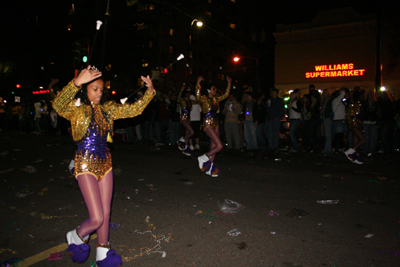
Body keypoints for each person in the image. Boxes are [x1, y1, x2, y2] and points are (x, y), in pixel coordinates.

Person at [52, 65, 155, 266]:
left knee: (106, 213)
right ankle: (76, 235)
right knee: (97, 218)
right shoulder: (76, 109)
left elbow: (133, 109)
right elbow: (58, 104)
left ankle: (103, 251)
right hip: (85, 165)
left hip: (106, 164)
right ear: (85, 89)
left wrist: (149, 93)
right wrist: (75, 83)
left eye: (101, 89)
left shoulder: (108, 109)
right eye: (94, 89)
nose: (99, 93)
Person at [196, 75, 232, 177]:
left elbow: (225, 95)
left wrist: (229, 84)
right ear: (208, 90)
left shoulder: (216, 98)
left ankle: (209, 167)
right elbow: (197, 96)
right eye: (213, 89)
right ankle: (203, 157)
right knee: (219, 146)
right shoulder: (204, 98)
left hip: (215, 122)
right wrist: (198, 84)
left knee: (214, 146)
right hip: (207, 123)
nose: (215, 90)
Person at [344, 90, 365, 164]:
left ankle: (354, 156)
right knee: (362, 140)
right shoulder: (355, 104)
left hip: (355, 124)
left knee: (355, 141)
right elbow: (349, 115)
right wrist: (352, 123)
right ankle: (349, 151)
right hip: (354, 125)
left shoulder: (357, 104)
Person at [176, 83, 196, 156]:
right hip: (183, 118)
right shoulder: (182, 100)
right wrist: (181, 90)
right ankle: (181, 140)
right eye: (187, 94)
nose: (189, 95)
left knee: (187, 134)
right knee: (191, 132)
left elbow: (196, 101)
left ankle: (185, 149)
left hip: (188, 118)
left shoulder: (189, 101)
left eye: (189, 93)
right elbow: (178, 99)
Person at [362, 91, 378, 157]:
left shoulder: (376, 104)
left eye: (371, 94)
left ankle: (371, 151)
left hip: (373, 122)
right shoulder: (364, 103)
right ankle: (365, 151)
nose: (369, 96)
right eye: (368, 94)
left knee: (373, 138)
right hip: (366, 122)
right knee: (366, 137)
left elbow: (378, 113)